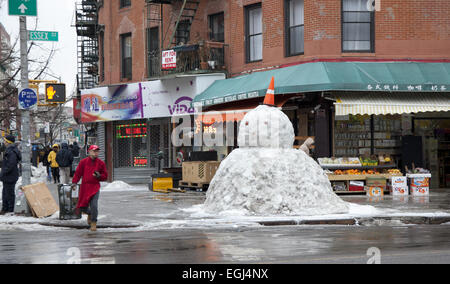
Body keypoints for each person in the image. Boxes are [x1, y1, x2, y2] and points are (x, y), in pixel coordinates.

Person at [72, 145, 107, 231]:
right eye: (94, 151)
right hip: (85, 187)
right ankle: (90, 214)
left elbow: (105, 176)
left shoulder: (101, 163)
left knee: (94, 206)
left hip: (94, 187)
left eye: (97, 151)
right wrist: (74, 183)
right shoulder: (83, 162)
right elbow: (78, 173)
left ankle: (93, 223)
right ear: (89, 152)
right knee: (82, 207)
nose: (96, 153)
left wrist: (99, 176)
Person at [0, 135, 22, 215]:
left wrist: (3, 172)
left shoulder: (11, 151)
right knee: (5, 193)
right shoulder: (10, 149)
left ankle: (10, 210)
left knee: (9, 194)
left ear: (8, 142)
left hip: (10, 176)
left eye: (5, 141)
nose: (4, 142)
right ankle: (5, 209)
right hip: (8, 176)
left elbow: (11, 164)